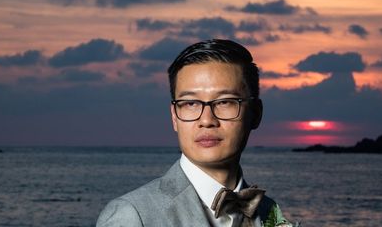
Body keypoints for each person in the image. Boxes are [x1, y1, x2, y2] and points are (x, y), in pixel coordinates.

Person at [96, 38, 297, 227]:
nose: (207, 120)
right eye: (190, 103)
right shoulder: (132, 215)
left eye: (225, 102)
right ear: (175, 117)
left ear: (255, 114)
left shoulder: (269, 212)